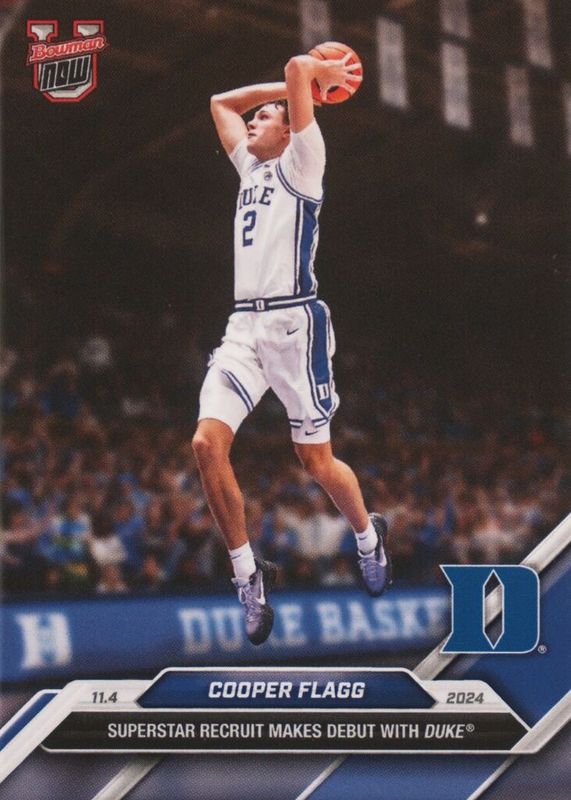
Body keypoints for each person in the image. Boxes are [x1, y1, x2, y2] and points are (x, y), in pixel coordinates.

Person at [192, 51, 391, 645]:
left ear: (290, 130)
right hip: (243, 328)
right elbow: (220, 103)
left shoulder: (304, 163)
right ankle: (248, 575)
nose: (254, 119)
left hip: (293, 325)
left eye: (269, 116)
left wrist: (309, 83)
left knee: (315, 461)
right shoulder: (249, 170)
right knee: (205, 445)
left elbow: (298, 66)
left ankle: (368, 537)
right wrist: (281, 90)